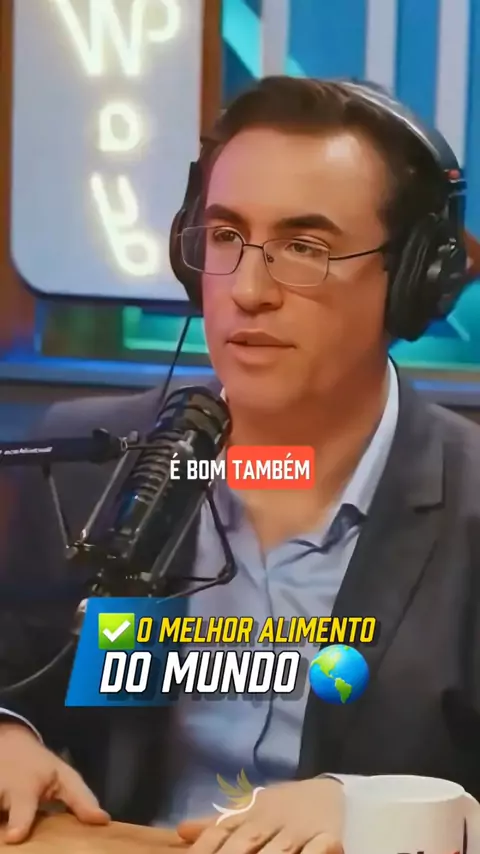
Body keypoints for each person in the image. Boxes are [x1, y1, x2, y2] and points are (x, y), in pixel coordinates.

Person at [1, 76, 480, 854]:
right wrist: (8, 732)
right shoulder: (90, 460)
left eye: (305, 248)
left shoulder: (469, 509)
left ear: (416, 279)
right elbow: (16, 669)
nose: (248, 291)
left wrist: (384, 811)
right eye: (226, 236)